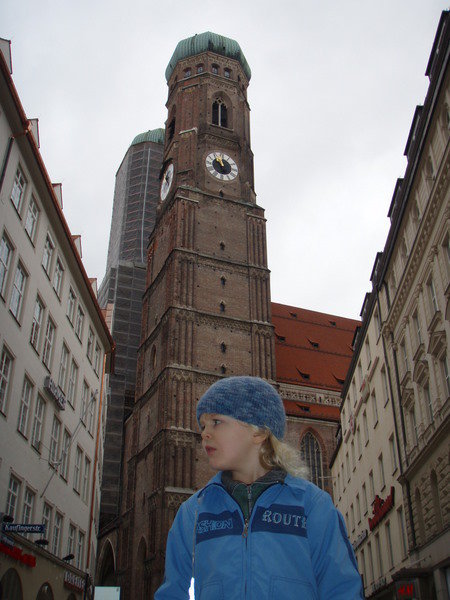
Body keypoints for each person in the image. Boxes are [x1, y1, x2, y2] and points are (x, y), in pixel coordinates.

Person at [155, 376, 364, 599]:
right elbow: (173, 593)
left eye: (216, 422)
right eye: (203, 425)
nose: (204, 433)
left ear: (259, 432)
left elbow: (342, 591)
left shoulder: (311, 506)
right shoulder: (193, 513)